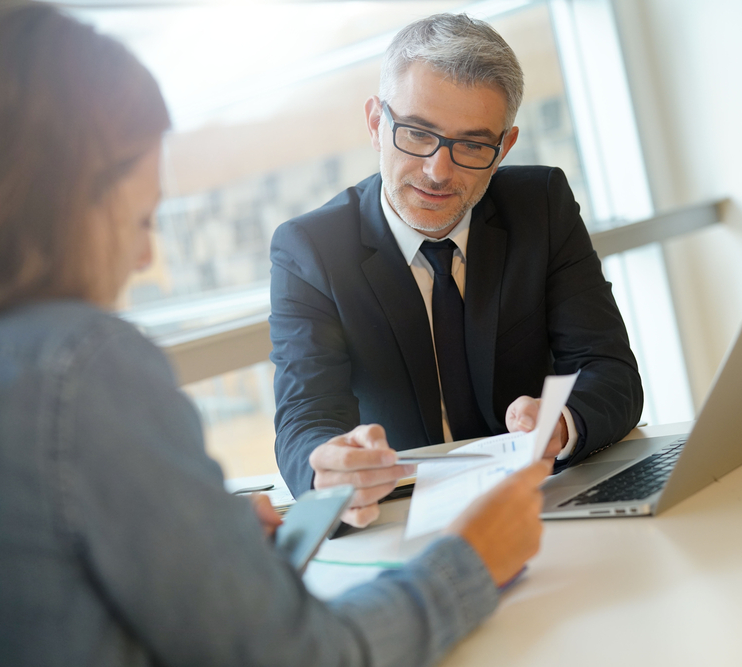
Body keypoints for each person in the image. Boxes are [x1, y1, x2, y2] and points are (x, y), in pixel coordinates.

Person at [0, 3, 551, 665]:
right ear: (65, 200)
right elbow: (300, 654)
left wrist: (192, 535)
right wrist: (470, 561)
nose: (139, 260)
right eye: (139, 222)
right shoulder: (86, 369)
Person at [270, 13, 644, 526]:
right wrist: (328, 473)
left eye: (471, 145)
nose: (438, 171)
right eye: (418, 134)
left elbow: (611, 371)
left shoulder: (541, 206)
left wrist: (563, 425)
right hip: (402, 522)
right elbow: (305, 417)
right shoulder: (311, 249)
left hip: (544, 504)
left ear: (503, 148)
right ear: (377, 123)